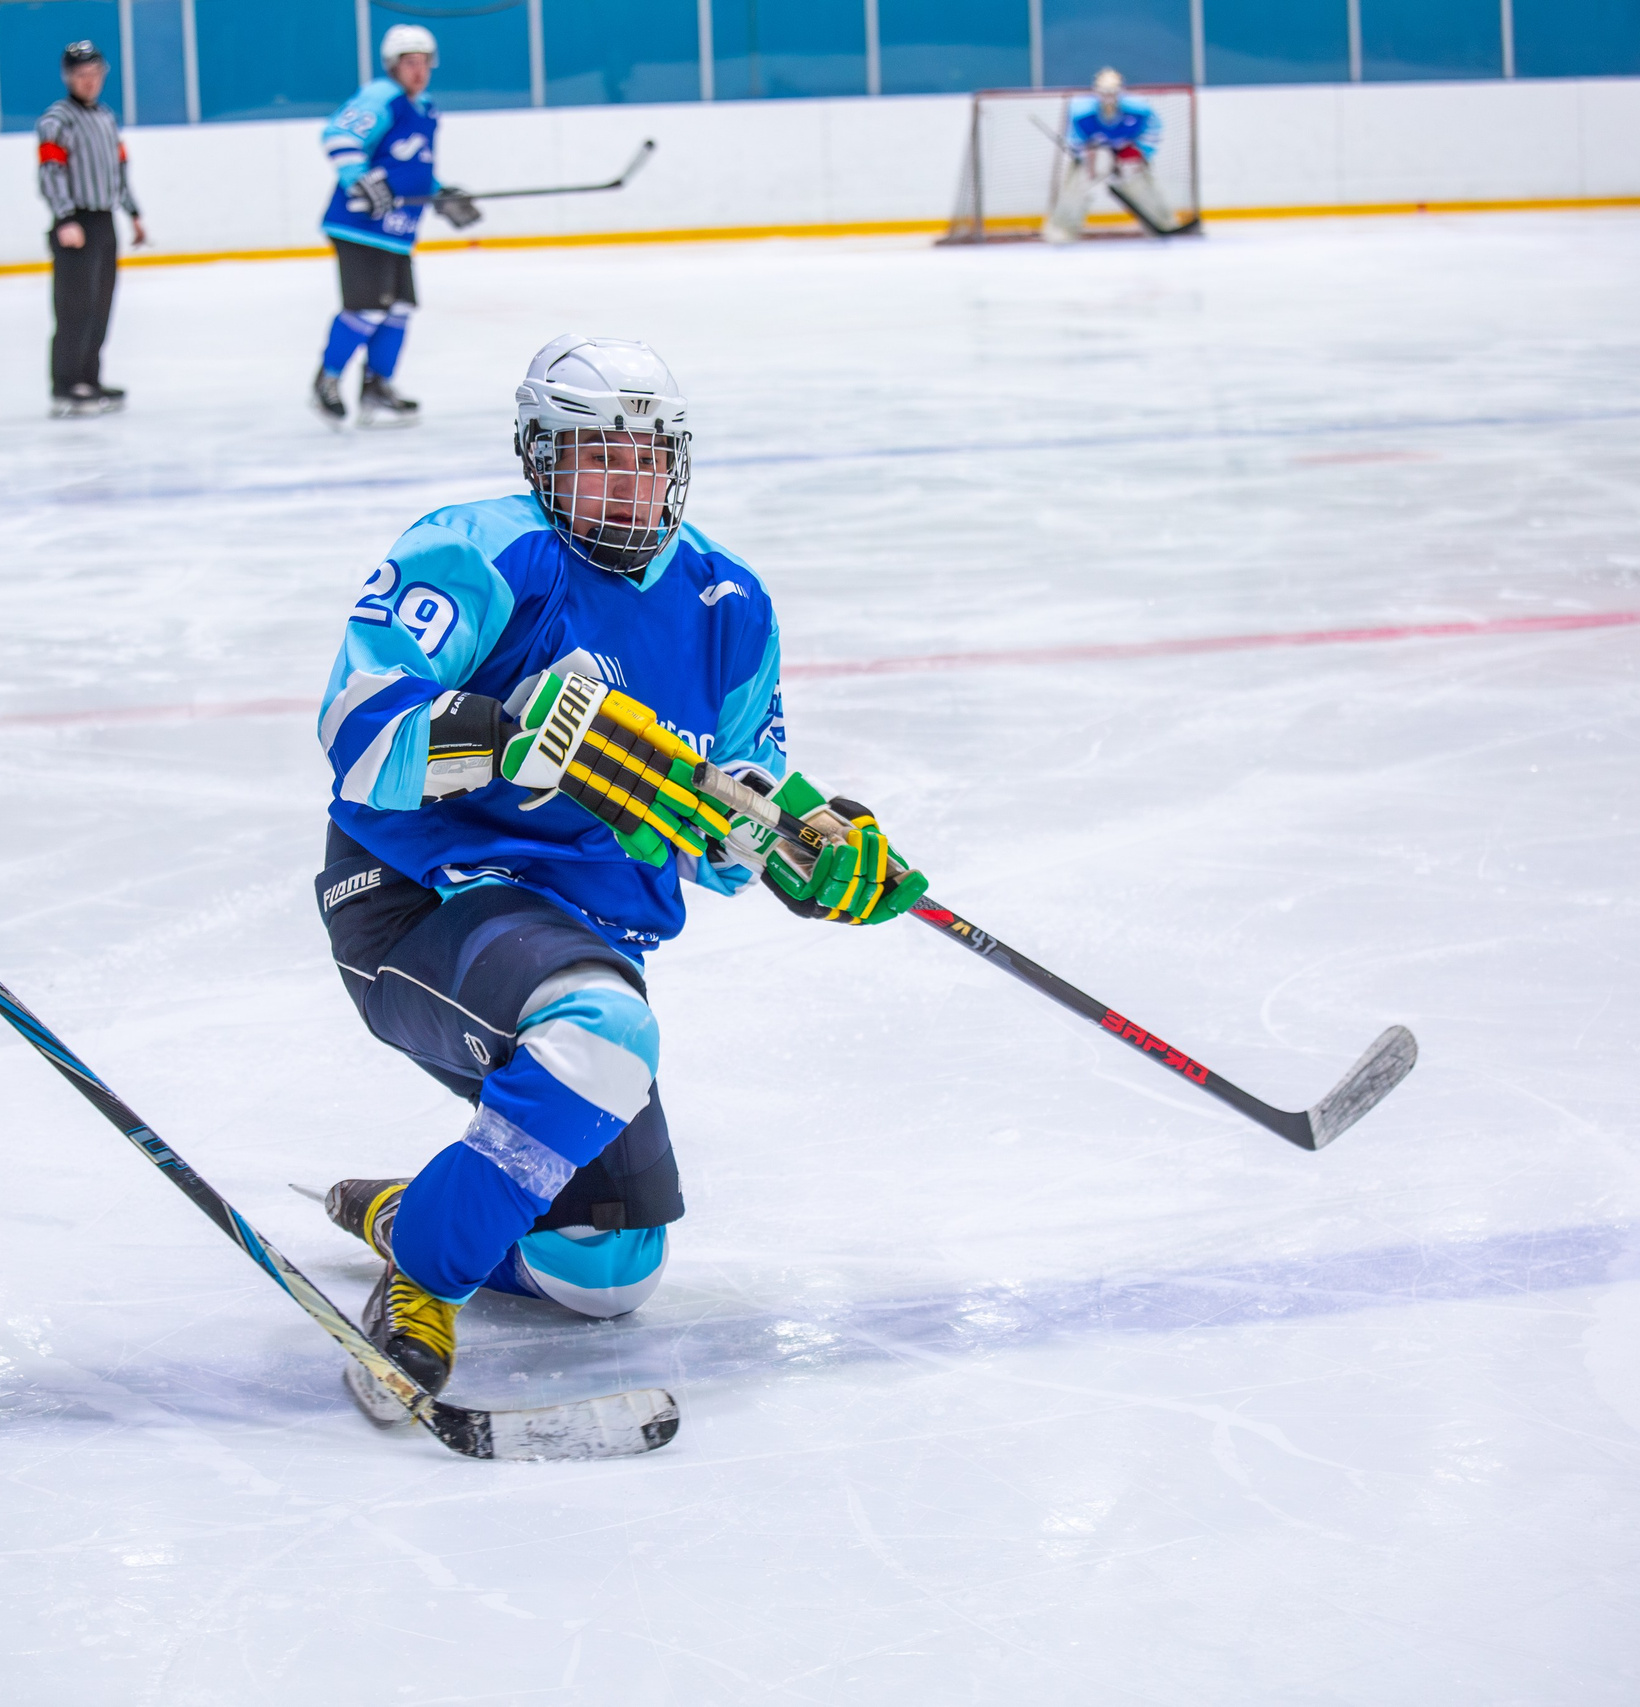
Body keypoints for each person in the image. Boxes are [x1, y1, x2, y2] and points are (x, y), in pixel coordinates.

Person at [307, 334, 929, 1423]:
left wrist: (812, 844)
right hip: (421, 897)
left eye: (645, 459)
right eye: (596, 458)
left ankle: (425, 1215)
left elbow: (730, 799)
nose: (626, 484)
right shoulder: (476, 552)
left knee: (603, 1274)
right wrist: (504, 738)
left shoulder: (726, 603)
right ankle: (426, 1278)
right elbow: (355, 732)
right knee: (600, 1029)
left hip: (579, 934)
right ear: (538, 458)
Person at [312, 24, 454, 429]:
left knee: (400, 309)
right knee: (368, 309)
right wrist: (359, 178)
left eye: (425, 63)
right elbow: (338, 135)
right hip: (360, 226)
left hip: (397, 229)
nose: (419, 70)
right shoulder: (381, 96)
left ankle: (377, 385)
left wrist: (440, 195)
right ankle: (326, 380)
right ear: (393, 66)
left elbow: (412, 167)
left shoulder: (424, 106)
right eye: (411, 63)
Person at [39, 40, 147, 418]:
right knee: (74, 307)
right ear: (69, 77)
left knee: (101, 304)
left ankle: (90, 377)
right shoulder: (57, 120)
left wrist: (132, 212)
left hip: (104, 221)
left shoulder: (106, 118)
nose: (90, 81)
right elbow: (50, 173)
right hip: (76, 223)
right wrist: (65, 218)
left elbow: (118, 170)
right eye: (82, 75)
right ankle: (66, 383)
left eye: (96, 74)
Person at [1047, 68, 1184, 241]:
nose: (1108, 96)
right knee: (1079, 185)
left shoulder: (1139, 109)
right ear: (1096, 91)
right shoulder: (1081, 111)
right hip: (1096, 153)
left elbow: (1153, 133)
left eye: (1113, 91)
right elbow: (1075, 140)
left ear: (1121, 90)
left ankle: (1163, 223)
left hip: (1126, 152)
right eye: (1104, 91)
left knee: (1138, 183)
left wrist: (1140, 153)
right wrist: (1087, 156)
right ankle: (1062, 229)